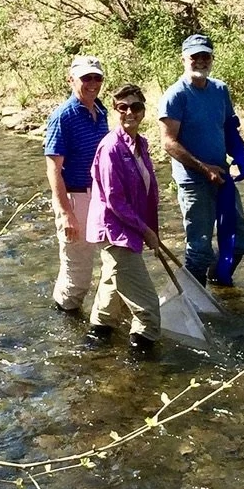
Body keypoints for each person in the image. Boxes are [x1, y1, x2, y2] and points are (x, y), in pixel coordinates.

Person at [158, 33, 244, 287]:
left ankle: (219, 279)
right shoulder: (176, 95)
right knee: (199, 248)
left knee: (241, 239)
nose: (200, 61)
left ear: (211, 58)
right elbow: (168, 142)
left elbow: (229, 127)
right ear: (183, 59)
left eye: (205, 56)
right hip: (193, 181)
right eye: (194, 56)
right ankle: (196, 304)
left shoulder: (220, 90)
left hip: (221, 177)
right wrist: (203, 168)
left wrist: (240, 155)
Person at [85, 85, 161, 351]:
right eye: (123, 107)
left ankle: (96, 340)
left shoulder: (140, 144)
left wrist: (151, 228)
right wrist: (146, 231)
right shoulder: (110, 148)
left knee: (111, 294)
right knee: (148, 310)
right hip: (115, 231)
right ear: (115, 111)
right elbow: (115, 201)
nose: (130, 112)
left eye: (136, 107)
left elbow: (144, 193)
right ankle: (140, 371)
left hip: (130, 228)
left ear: (143, 111)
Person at [43, 56, 109, 312]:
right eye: (86, 78)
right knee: (78, 275)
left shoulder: (100, 110)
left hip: (101, 197)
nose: (92, 83)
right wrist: (65, 213)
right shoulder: (63, 117)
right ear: (71, 80)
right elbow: (53, 169)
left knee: (114, 262)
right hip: (76, 198)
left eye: (97, 77)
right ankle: (67, 324)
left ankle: (103, 319)